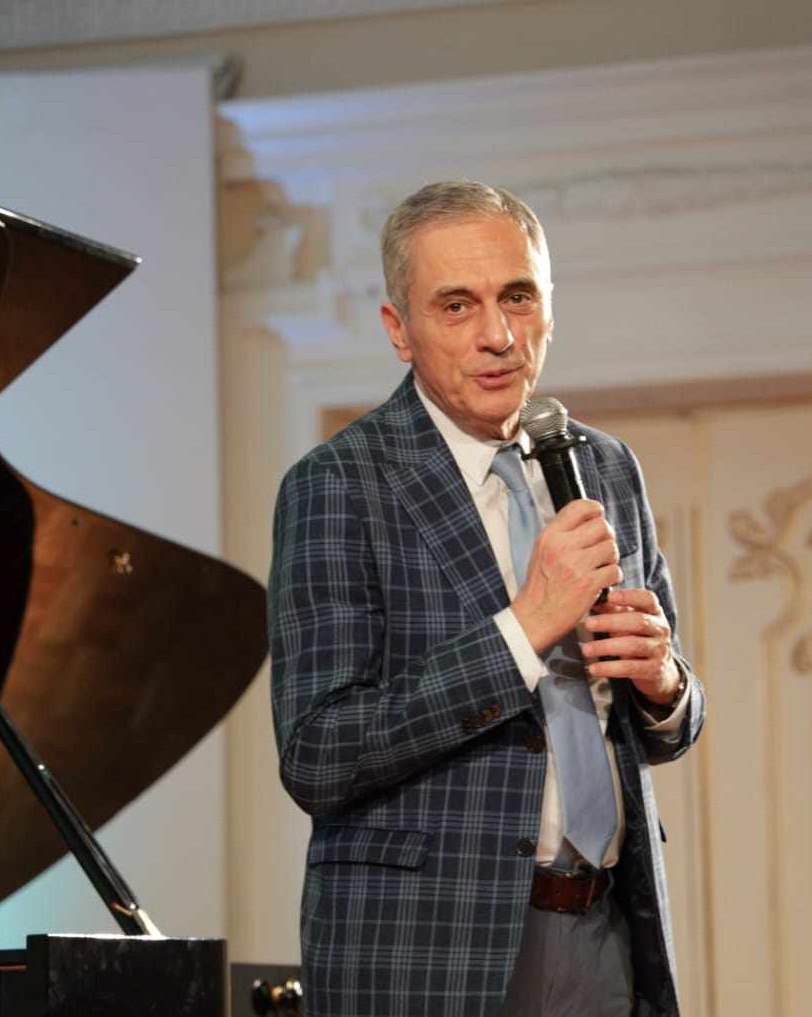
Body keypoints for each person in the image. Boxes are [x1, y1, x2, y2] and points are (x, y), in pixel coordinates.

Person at [268, 180, 705, 1016]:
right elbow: (320, 755)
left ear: (549, 306)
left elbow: (668, 726)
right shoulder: (339, 484)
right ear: (399, 329)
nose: (498, 335)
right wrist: (523, 629)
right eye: (457, 306)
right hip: (428, 951)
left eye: (518, 297)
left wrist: (664, 684)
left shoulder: (605, 466)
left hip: (604, 929)